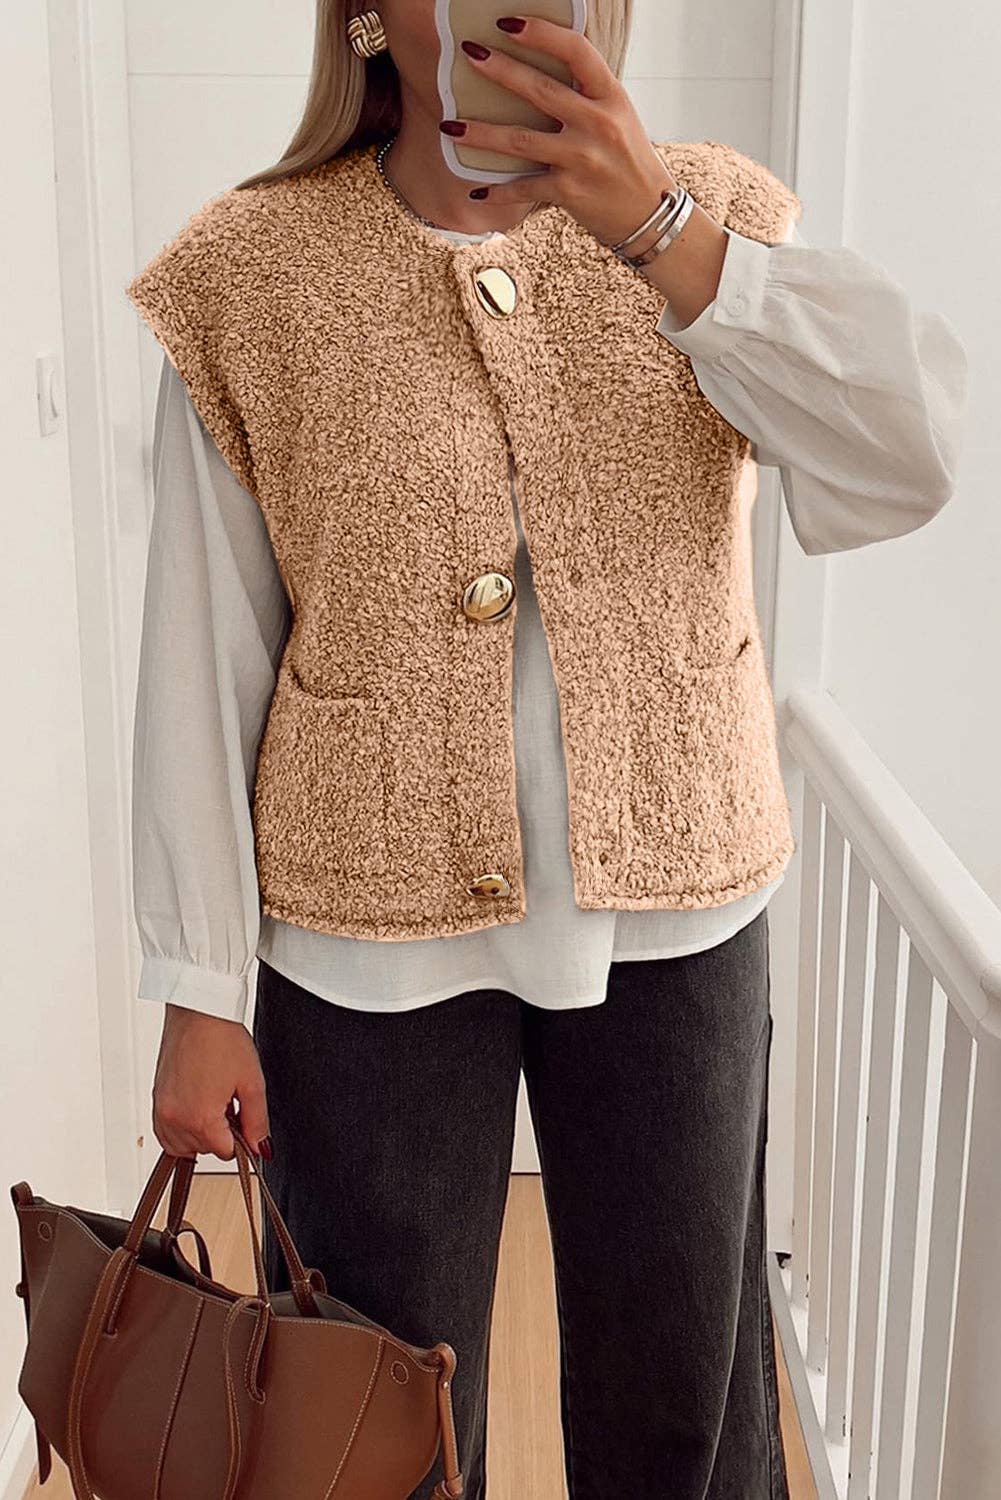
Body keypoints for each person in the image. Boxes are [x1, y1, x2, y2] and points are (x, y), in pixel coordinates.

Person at [127, 3, 967, 1496]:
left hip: (678, 909)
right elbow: (203, 643)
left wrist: (661, 233)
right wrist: (197, 985)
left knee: (682, 1407)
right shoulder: (248, 273)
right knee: (374, 1420)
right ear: (371, 14)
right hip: (365, 932)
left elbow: (906, 459)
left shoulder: (710, 216)